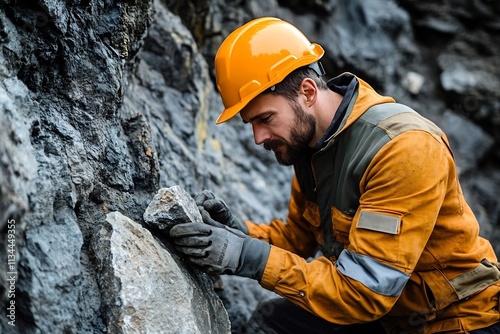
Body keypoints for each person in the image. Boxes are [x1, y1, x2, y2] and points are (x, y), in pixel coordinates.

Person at [169, 17, 500, 333]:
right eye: (251, 123)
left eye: (265, 119)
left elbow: (364, 291)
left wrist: (244, 256)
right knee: (272, 324)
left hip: (458, 321)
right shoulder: (310, 146)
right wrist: (240, 235)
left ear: (308, 92)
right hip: (389, 317)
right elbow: (298, 239)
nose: (259, 138)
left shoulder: (402, 149)